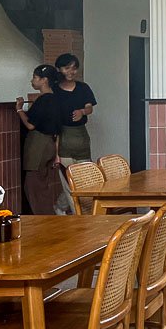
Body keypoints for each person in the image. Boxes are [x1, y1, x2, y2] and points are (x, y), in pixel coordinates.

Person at [52, 53, 96, 213]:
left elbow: (90, 107)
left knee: (85, 181)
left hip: (82, 138)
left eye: (74, 68)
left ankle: (60, 208)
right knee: (69, 183)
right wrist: (56, 153)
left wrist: (82, 112)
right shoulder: (54, 91)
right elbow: (54, 124)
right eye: (66, 68)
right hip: (63, 139)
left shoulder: (83, 88)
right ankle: (78, 216)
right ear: (59, 70)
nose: (71, 71)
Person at [16, 64, 62, 215]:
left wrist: (19, 109)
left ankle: (44, 221)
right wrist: (56, 154)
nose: (32, 81)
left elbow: (30, 125)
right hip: (49, 144)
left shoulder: (43, 100)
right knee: (42, 185)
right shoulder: (56, 99)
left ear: (44, 80)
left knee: (33, 187)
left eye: (35, 77)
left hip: (38, 146)